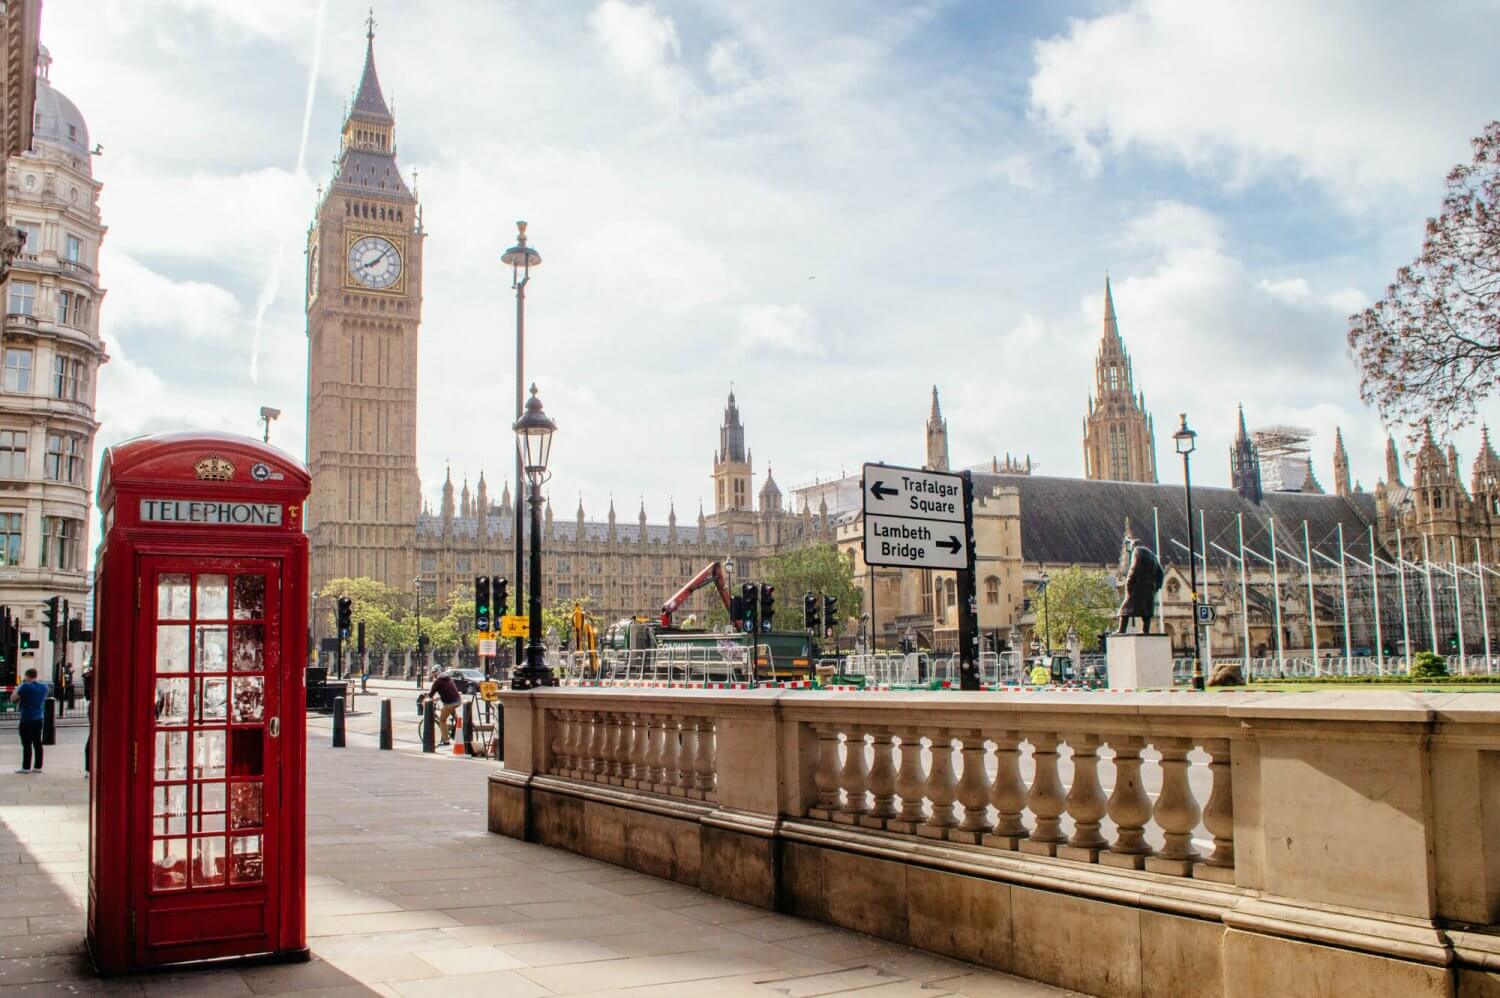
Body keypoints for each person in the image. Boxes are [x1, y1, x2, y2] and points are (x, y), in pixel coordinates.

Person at [10, 668, 48, 773]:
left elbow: (13, 697)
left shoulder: (25, 686)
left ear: (27, 676)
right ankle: (38, 766)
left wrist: (19, 686)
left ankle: (26, 767)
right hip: (39, 718)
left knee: (26, 744)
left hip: (26, 718)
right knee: (37, 743)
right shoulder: (44, 686)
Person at [424, 669, 462, 745]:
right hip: (458, 701)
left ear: (437, 673)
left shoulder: (437, 681)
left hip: (450, 703)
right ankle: (458, 725)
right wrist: (439, 698)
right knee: (448, 711)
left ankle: (446, 740)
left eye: (434, 674)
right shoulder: (448, 678)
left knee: (442, 720)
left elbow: (431, 694)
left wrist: (425, 700)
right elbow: (447, 691)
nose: (434, 676)